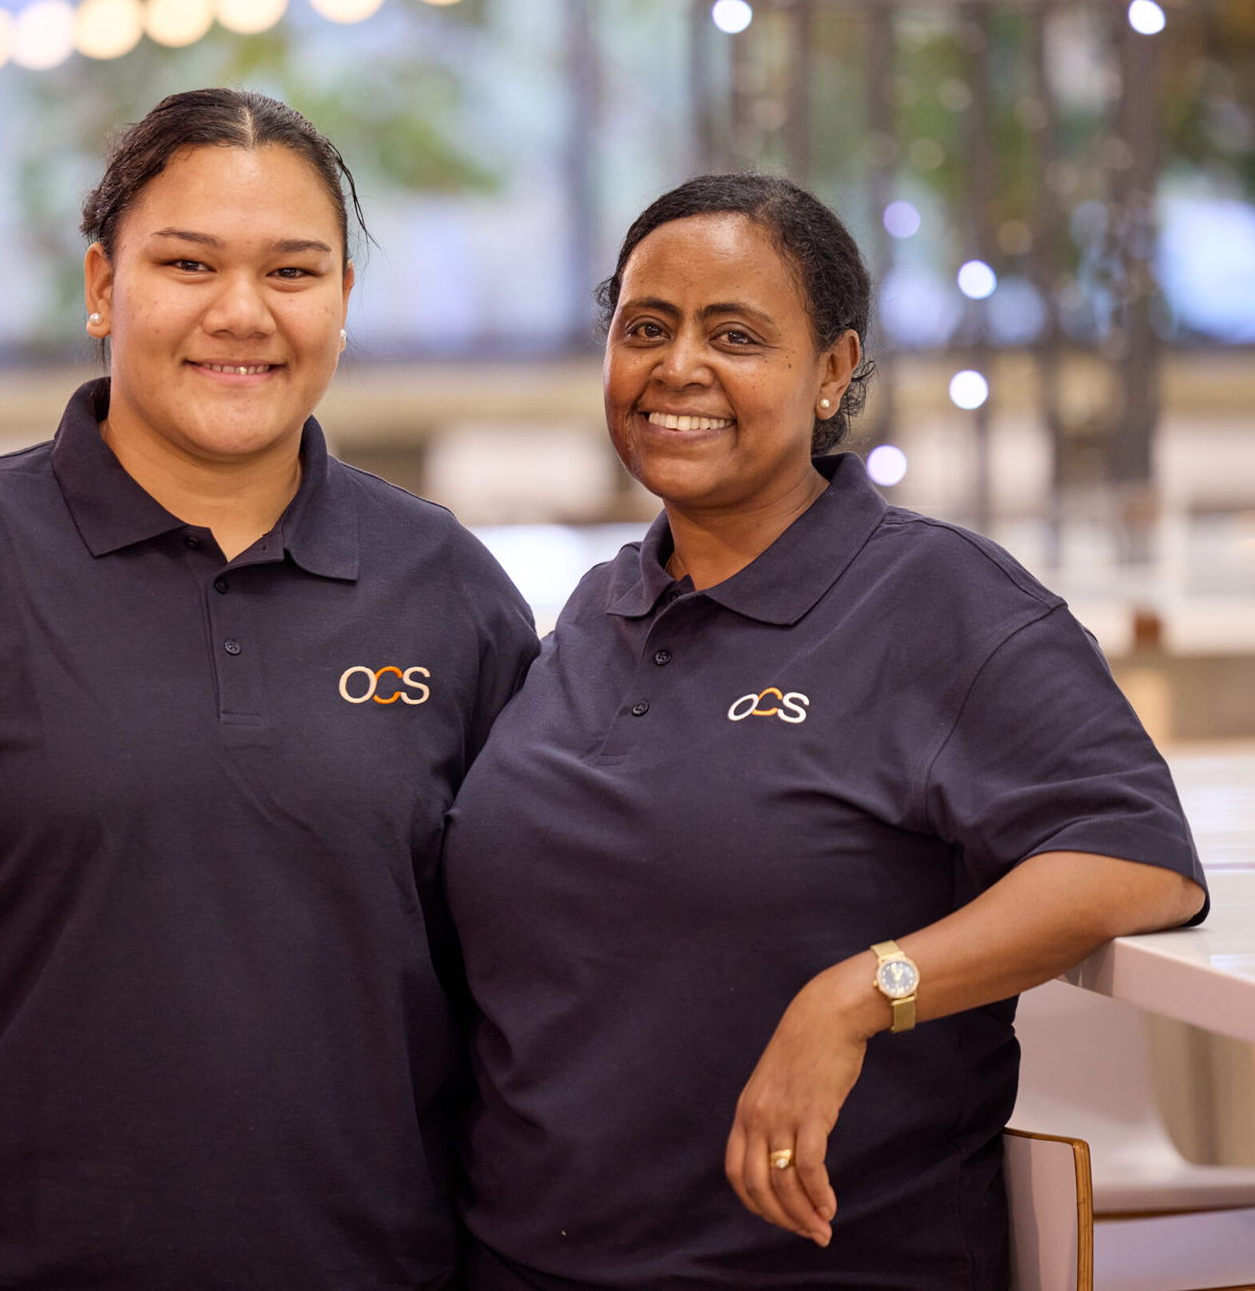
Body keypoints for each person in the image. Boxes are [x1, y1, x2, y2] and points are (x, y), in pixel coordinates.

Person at [0, 89, 538, 1291]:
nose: (240, 313)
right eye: (186, 263)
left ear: (342, 303)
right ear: (101, 285)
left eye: (294, 272)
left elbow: (522, 963)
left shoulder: (447, 589)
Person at [443, 173, 1208, 1290]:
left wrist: (856, 994)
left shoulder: (936, 599)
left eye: (735, 334)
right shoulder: (594, 610)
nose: (678, 367)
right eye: (644, 327)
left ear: (832, 372)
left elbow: (1131, 860)